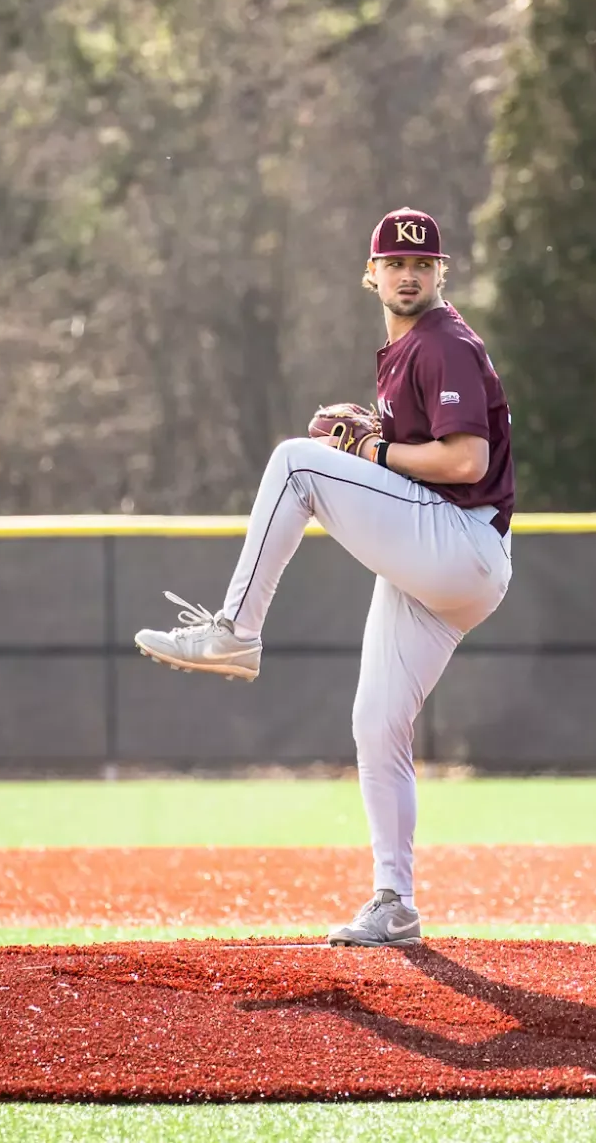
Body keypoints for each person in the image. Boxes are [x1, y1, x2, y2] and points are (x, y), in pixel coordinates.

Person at [135, 206, 515, 947]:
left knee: (294, 463)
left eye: (423, 263)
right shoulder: (404, 352)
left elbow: (465, 461)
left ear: (442, 272)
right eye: (395, 263)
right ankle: (394, 900)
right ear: (370, 273)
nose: (409, 273)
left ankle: (237, 631)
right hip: (445, 564)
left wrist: (372, 451)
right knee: (377, 724)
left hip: (461, 541)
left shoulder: (444, 344)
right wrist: (376, 441)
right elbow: (415, 457)